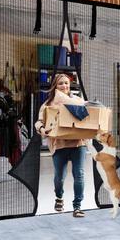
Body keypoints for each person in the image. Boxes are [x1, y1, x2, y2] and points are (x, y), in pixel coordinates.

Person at [34, 73, 87, 218]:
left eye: (66, 83)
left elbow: (88, 117)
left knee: (79, 174)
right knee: (59, 178)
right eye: (61, 83)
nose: (64, 86)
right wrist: (42, 129)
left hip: (78, 144)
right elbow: (39, 122)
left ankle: (77, 207)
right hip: (59, 145)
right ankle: (59, 197)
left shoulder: (78, 101)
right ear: (55, 86)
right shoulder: (48, 104)